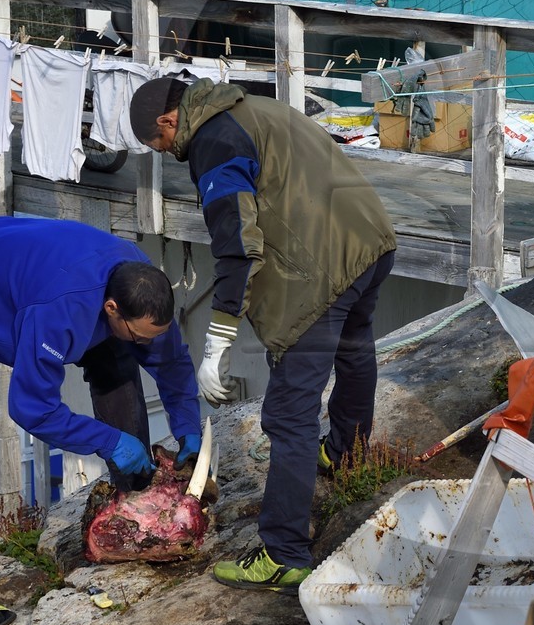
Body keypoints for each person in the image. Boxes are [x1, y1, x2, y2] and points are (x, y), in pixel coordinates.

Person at [129, 77, 397, 592]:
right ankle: (347, 452)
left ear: (168, 122)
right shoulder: (255, 107)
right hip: (370, 239)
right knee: (355, 350)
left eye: (157, 145)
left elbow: (236, 245)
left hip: (320, 273)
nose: (163, 153)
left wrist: (218, 340)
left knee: (288, 415)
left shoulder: (214, 143)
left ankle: (284, 553)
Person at [0, 217, 202, 625]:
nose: (147, 343)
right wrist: (109, 441)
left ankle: (136, 511)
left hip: (23, 279)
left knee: (119, 365)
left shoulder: (142, 289)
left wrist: (188, 425)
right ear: (111, 308)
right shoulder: (58, 310)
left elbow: (170, 362)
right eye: (140, 336)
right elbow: (32, 408)